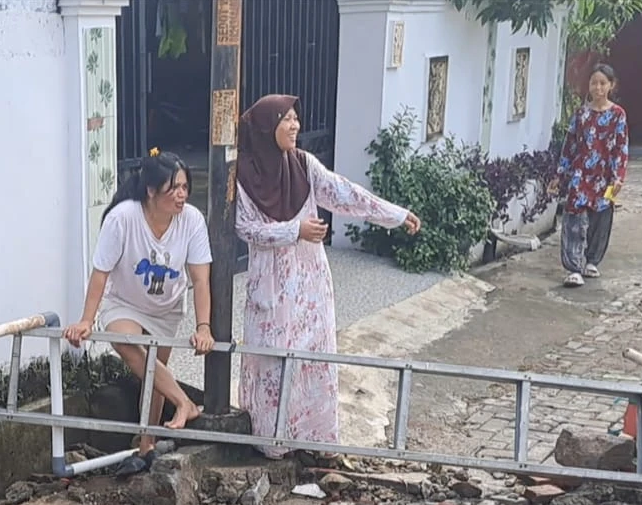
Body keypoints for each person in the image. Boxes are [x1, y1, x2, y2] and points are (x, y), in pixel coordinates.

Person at [234, 94, 420, 457]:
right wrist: (294, 230)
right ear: (266, 127)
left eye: (295, 118)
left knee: (313, 356)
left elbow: (346, 193)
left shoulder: (304, 165)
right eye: (285, 119)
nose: (295, 126)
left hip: (309, 283)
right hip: (270, 285)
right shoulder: (243, 174)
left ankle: (314, 440)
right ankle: (273, 444)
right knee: (273, 360)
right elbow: (246, 228)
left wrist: (395, 215)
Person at [64, 149, 214, 457]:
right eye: (173, 188)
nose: (181, 195)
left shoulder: (192, 221)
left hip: (167, 307)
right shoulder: (123, 218)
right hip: (123, 302)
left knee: (155, 369)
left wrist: (203, 327)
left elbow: (200, 279)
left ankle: (147, 444)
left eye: (185, 187)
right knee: (127, 342)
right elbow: (100, 273)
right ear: (151, 190)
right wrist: (85, 320)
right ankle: (184, 403)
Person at [556, 63, 629, 288]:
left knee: (601, 218)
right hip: (580, 174)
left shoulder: (618, 115)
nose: (597, 88)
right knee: (574, 218)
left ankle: (592, 260)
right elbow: (569, 145)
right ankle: (573, 267)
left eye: (602, 83)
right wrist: (560, 173)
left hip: (605, 175)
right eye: (593, 83)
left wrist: (618, 177)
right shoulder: (581, 114)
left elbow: (621, 147)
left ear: (611, 86)